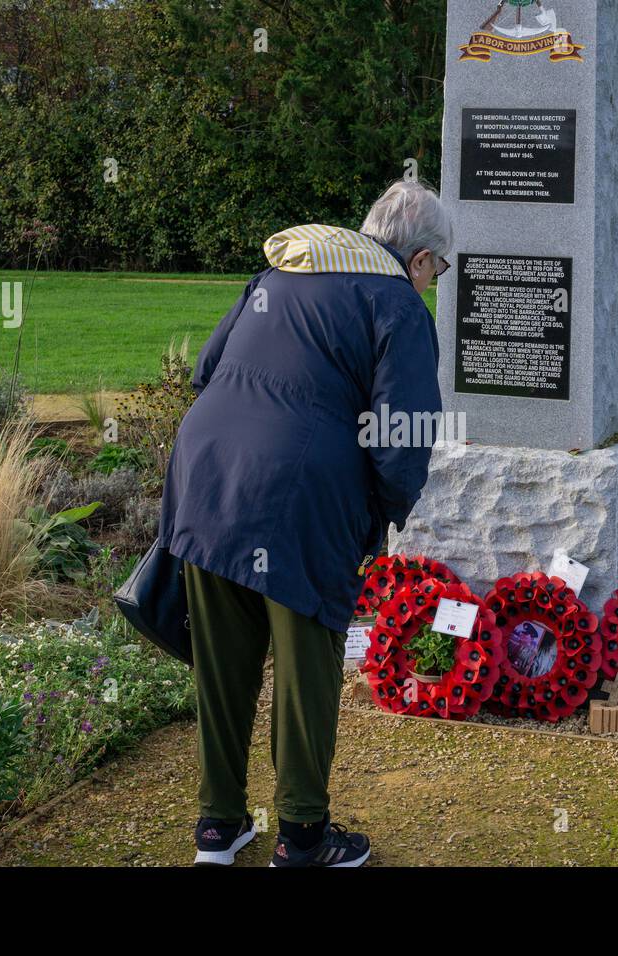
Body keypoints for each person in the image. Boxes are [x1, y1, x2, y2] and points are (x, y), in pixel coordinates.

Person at [157, 181, 452, 867]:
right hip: (300, 503)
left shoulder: (281, 273)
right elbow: (402, 433)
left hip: (205, 478)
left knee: (222, 664)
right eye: (439, 268)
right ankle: (303, 838)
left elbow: (206, 368)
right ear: (417, 259)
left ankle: (218, 827)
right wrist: (389, 511)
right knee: (305, 671)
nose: (435, 282)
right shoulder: (398, 306)